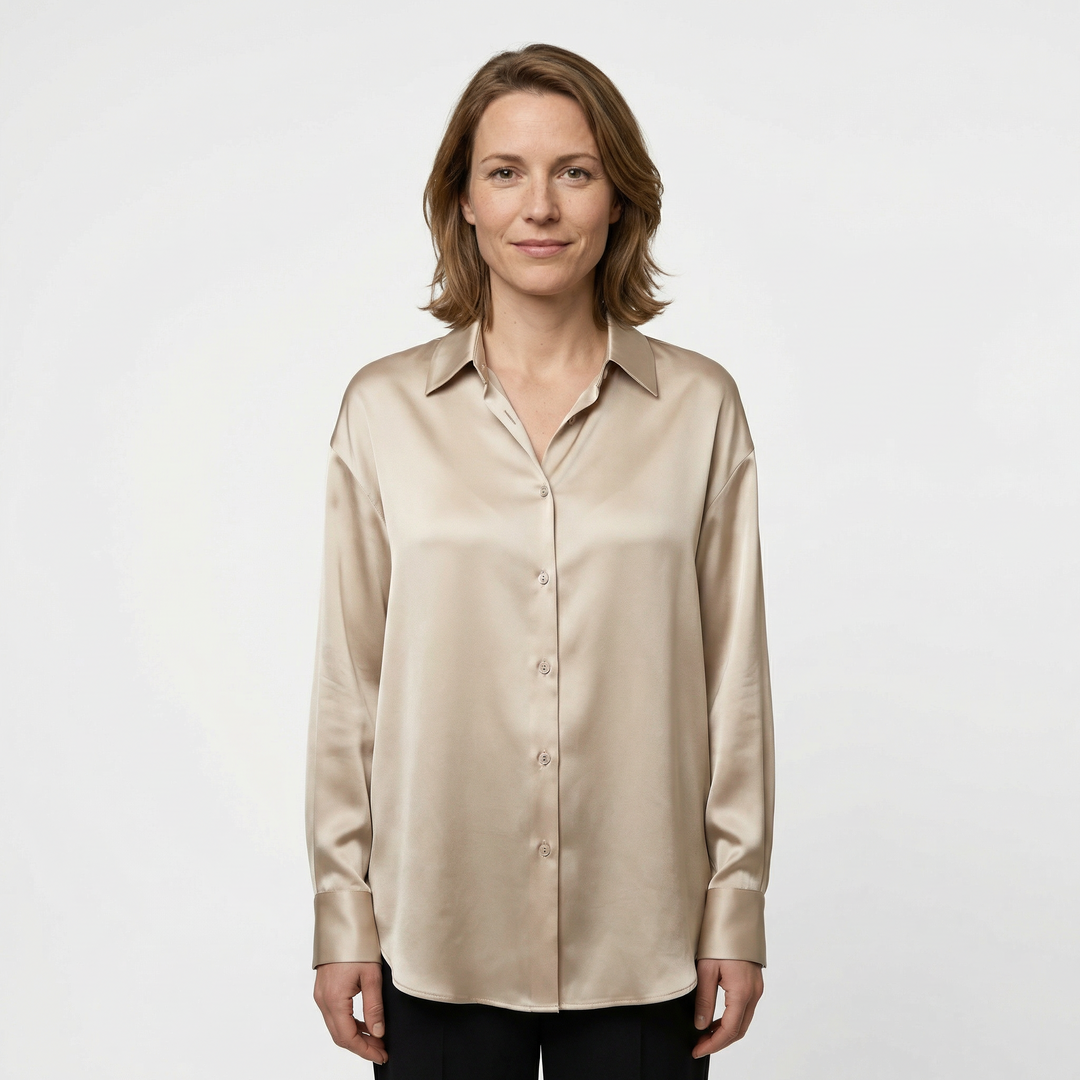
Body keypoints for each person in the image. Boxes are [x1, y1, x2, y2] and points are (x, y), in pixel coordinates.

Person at [305, 43, 775, 1079]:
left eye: (575, 171)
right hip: (436, 935)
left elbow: (733, 679)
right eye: (506, 172)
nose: (541, 207)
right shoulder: (382, 412)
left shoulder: (700, 408)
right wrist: (343, 912)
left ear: (619, 198)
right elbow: (351, 682)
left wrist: (735, 904)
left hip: (645, 940)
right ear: (464, 202)